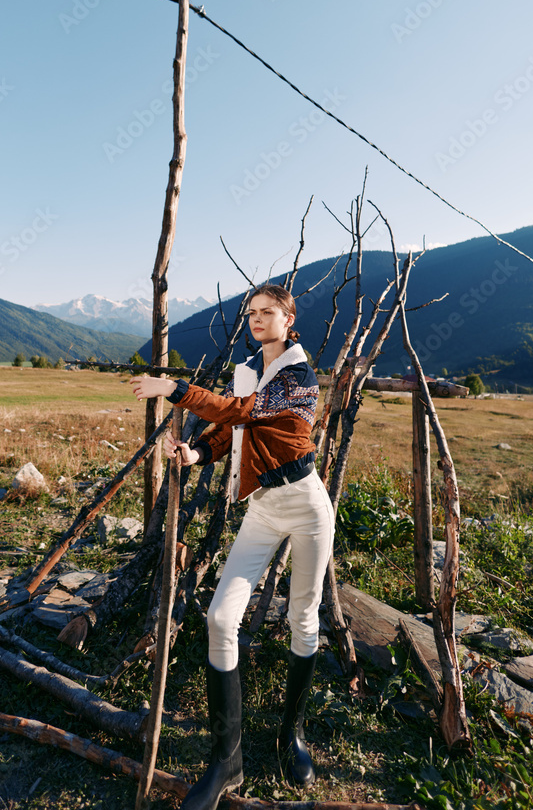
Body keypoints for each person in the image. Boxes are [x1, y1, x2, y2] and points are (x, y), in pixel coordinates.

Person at [130, 284, 335, 809]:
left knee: (303, 619)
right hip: (264, 508)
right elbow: (231, 431)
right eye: (253, 313)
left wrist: (175, 388)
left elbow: (241, 410)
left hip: (307, 506)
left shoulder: (298, 375)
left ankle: (291, 735)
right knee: (221, 618)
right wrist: (195, 452)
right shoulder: (250, 369)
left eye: (269, 312)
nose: (258, 319)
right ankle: (228, 761)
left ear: (290, 320)